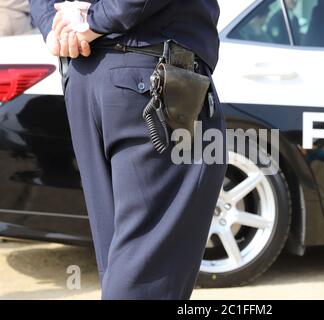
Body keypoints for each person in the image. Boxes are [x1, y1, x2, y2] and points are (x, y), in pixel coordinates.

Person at [29, 0, 227, 300]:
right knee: (146, 270)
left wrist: (57, 27)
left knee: (125, 263)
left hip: (89, 76)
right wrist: (90, 23)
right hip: (151, 74)